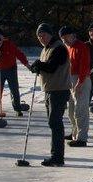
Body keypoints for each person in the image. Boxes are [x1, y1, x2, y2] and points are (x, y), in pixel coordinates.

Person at [29, 23, 71, 167]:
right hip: (50, 90)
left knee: (55, 122)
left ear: (50, 34)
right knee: (53, 123)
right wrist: (37, 68)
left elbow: (52, 67)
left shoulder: (59, 48)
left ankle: (58, 157)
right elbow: (46, 67)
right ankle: (56, 155)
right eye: (39, 36)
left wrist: (39, 65)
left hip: (59, 90)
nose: (42, 38)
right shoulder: (46, 49)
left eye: (44, 35)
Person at [0, 28, 30, 117]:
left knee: (14, 90)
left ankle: (17, 109)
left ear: (3, 38)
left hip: (11, 69)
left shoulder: (9, 45)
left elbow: (19, 54)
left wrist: (27, 64)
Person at [59, 26, 91, 147]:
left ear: (72, 35)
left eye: (66, 37)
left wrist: (80, 82)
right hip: (70, 80)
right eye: (62, 38)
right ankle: (74, 133)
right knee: (71, 111)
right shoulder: (67, 47)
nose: (64, 40)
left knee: (80, 110)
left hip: (81, 79)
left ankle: (82, 138)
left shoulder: (81, 46)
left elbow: (84, 66)